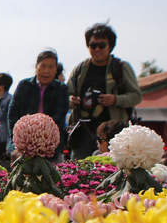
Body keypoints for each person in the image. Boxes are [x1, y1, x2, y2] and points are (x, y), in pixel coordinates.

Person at [67, 22, 142, 160]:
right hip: (83, 132)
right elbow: (66, 94)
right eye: (92, 45)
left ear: (110, 46)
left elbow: (136, 96)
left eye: (101, 45)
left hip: (113, 133)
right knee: (77, 173)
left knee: (114, 173)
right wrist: (71, 100)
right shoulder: (80, 69)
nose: (97, 49)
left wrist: (115, 99)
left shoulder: (121, 67)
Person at [8, 50, 69, 160]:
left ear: (56, 69)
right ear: (36, 67)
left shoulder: (62, 89)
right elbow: (13, 113)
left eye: (51, 67)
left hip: (51, 148)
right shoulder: (24, 85)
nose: (46, 71)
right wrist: (17, 141)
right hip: (23, 147)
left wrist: (40, 136)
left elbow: (59, 116)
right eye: (43, 66)